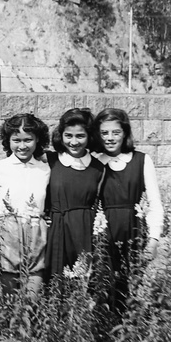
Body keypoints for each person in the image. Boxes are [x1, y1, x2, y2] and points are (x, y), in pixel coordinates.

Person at [93, 108, 163, 310]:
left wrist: (154, 239)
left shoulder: (141, 160)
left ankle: (131, 337)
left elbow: (155, 202)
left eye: (116, 132)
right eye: (104, 133)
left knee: (133, 292)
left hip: (135, 234)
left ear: (125, 133)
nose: (110, 138)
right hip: (104, 236)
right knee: (106, 293)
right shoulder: (95, 162)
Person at [0, 113, 50, 295]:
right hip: (8, 235)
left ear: (37, 139)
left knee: (32, 298)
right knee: (8, 298)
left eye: (28, 140)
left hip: (36, 234)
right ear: (8, 141)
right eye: (16, 140)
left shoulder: (45, 169)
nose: (22, 146)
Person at [45, 108, 105, 278]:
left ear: (90, 136)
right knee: (54, 282)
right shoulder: (50, 160)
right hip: (55, 228)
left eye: (80, 136)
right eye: (68, 136)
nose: (74, 142)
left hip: (84, 230)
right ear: (61, 135)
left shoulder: (98, 168)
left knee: (81, 281)